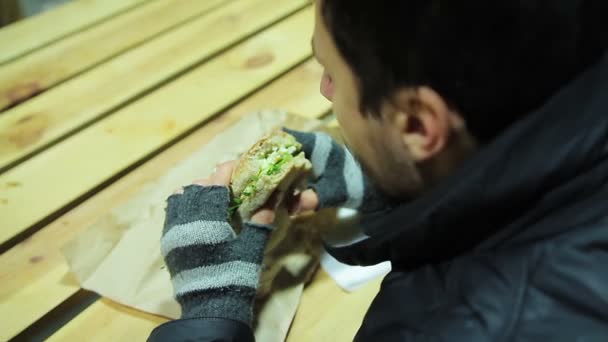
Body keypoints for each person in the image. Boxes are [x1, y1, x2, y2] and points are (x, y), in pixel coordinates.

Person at [148, 0, 608, 340]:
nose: (327, 92)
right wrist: (404, 181)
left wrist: (210, 314)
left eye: (331, 72)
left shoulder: (447, 327)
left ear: (415, 124)